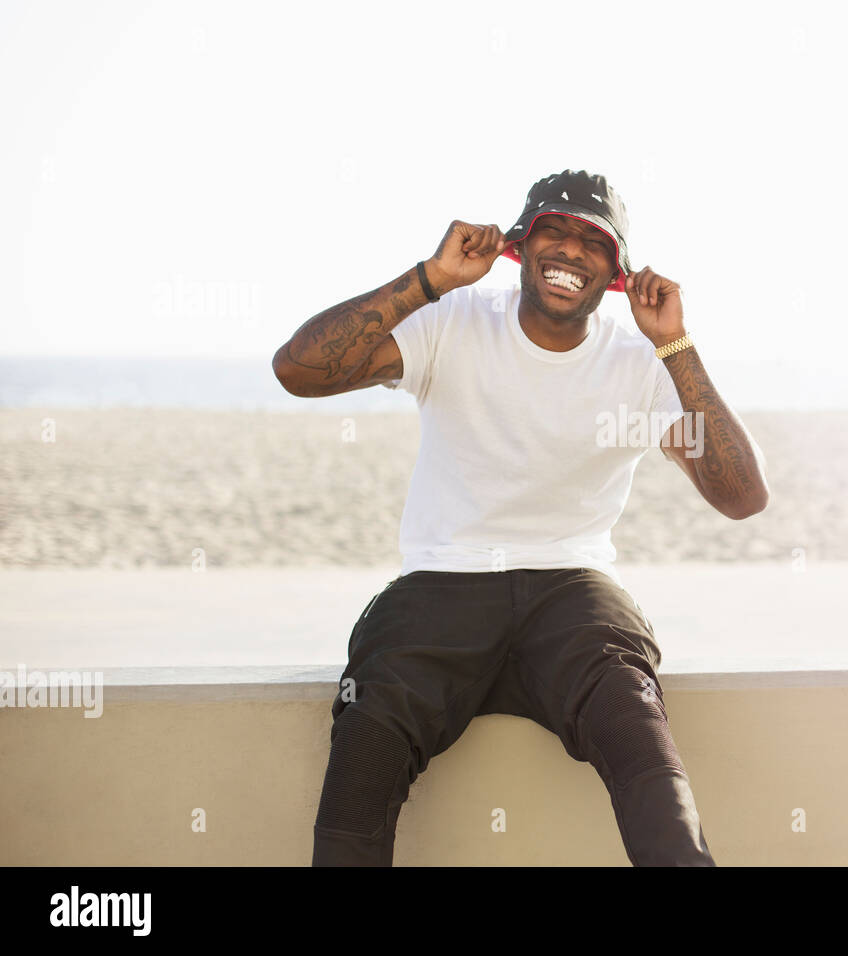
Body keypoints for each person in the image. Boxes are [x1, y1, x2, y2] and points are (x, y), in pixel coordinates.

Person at [272, 169, 769, 866]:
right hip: (442, 583)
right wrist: (428, 280)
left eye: (592, 241)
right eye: (553, 231)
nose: (570, 251)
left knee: (639, 734)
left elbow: (741, 495)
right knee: (366, 742)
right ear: (519, 246)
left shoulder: (640, 363)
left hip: (575, 591)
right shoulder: (452, 321)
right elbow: (297, 371)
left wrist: (676, 344)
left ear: (618, 272)